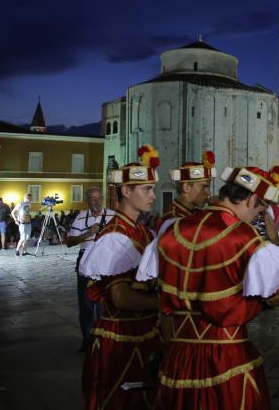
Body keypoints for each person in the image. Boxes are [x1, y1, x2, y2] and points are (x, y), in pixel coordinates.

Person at [156, 164, 279, 409]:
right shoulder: (243, 236)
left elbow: (163, 300)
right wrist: (275, 242)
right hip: (225, 355)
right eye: (260, 210)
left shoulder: (174, 228)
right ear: (253, 200)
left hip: (179, 356)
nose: (257, 217)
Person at [78, 144, 162, 410]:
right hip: (121, 339)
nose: (153, 196)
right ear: (126, 191)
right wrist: (167, 302)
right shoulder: (115, 236)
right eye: (146, 189)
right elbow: (121, 297)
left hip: (146, 333)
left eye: (153, 189)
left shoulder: (144, 233)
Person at [135, 151, 217, 284]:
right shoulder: (174, 221)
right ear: (186, 187)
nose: (208, 193)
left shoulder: (192, 214)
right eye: (204, 187)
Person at [65, 186, 115, 352]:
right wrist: (88, 233)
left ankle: (102, 339)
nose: (97, 202)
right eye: (93, 199)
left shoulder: (112, 216)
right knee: (85, 304)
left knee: (103, 303)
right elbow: (70, 242)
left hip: (106, 262)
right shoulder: (80, 217)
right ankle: (87, 339)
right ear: (87, 201)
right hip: (86, 261)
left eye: (99, 198)